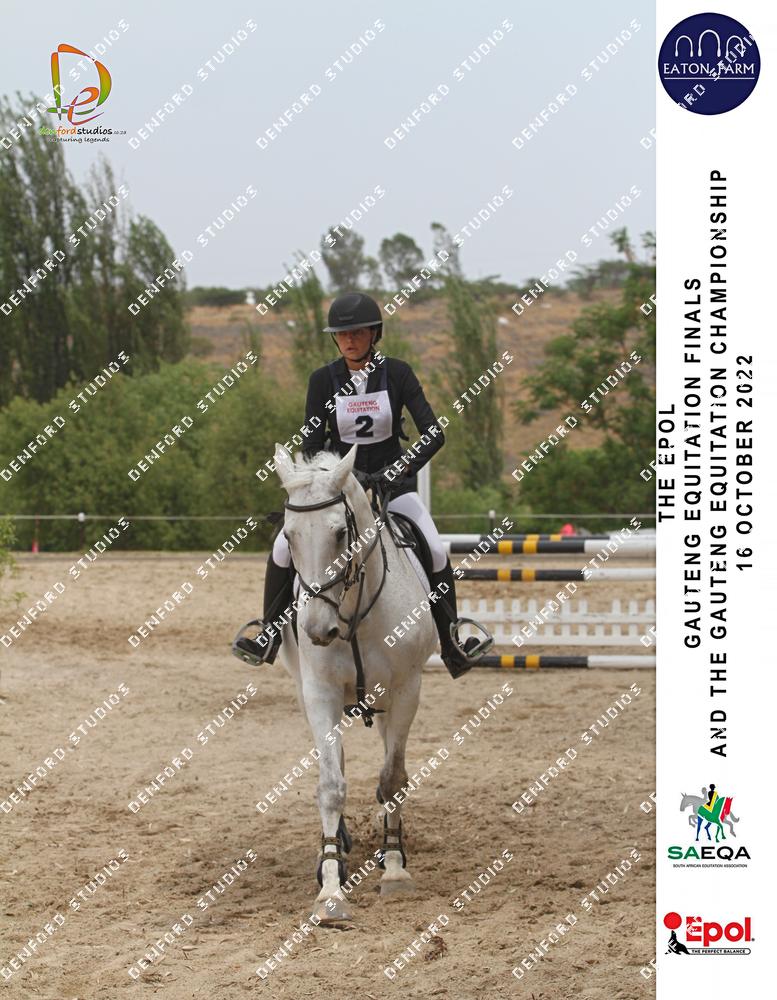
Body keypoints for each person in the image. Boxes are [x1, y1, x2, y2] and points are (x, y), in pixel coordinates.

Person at [233, 291, 493, 678]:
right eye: (342, 334)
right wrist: (334, 477)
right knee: (282, 547)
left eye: (357, 332)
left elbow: (433, 434)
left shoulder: (398, 374)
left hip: (393, 487)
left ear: (374, 334)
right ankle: (269, 634)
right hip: (339, 489)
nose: (349, 340)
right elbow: (310, 444)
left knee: (435, 548)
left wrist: (397, 471)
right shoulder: (323, 380)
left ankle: (451, 640)